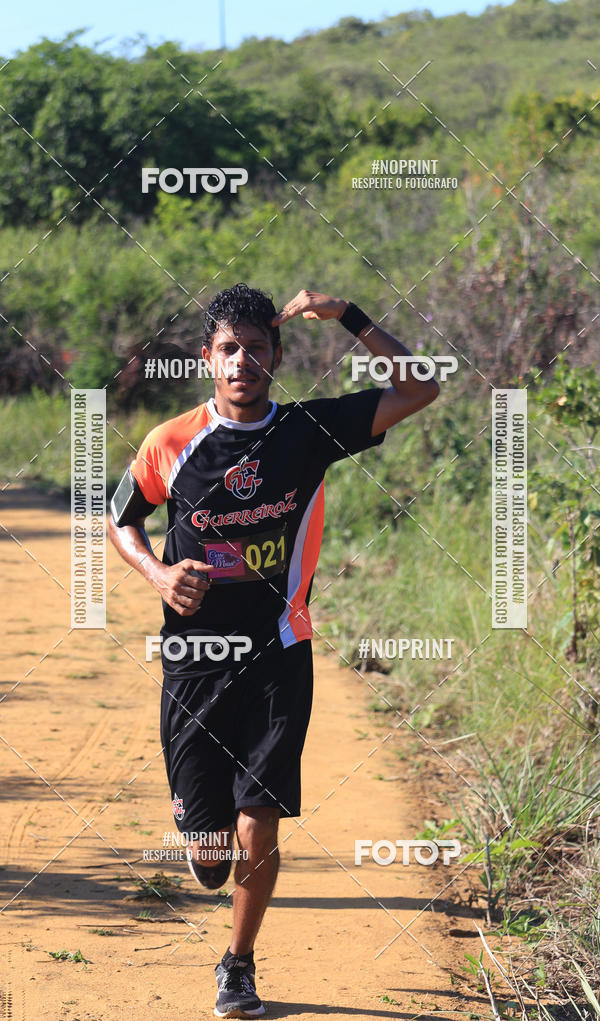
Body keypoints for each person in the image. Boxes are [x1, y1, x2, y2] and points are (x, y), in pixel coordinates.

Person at [108, 283, 439, 1018]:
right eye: (229, 348)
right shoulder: (172, 442)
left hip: (278, 653)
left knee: (261, 818)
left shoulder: (308, 432)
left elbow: (421, 386)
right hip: (194, 662)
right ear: (208, 358)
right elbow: (118, 516)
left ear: (278, 356)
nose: (243, 361)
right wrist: (160, 574)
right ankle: (198, 828)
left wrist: (348, 315)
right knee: (208, 855)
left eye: (258, 348)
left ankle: (239, 963)